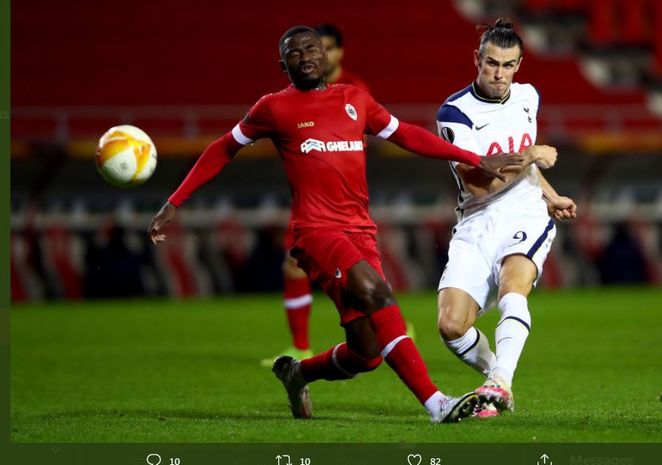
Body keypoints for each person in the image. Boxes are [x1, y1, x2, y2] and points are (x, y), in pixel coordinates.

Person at [148, 25, 533, 423]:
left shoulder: (355, 100)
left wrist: (473, 158)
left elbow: (407, 136)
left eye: (312, 48)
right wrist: (175, 201)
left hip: (360, 231)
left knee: (366, 353)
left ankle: (298, 373)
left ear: (327, 55)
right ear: (284, 65)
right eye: (294, 53)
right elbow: (222, 148)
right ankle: (437, 404)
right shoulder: (273, 108)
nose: (306, 56)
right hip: (316, 232)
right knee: (378, 292)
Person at [434, 18, 576, 418]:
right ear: (476, 59)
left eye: (508, 65)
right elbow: (479, 186)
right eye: (492, 63)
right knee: (451, 325)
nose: (499, 74)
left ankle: (500, 385)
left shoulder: (528, 96)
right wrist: (530, 156)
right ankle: (499, 372)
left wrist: (549, 195)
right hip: (477, 218)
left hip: (526, 211)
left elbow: (525, 163)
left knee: (514, 286)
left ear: (520, 64)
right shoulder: (454, 114)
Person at [261, 23, 372, 368]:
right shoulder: (286, 101)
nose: (310, 56)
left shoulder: (353, 90)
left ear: (335, 53)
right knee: (293, 267)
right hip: (311, 206)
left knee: (366, 282)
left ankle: (384, 321)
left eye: (322, 48)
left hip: (346, 201)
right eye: (301, 51)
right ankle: (301, 347)